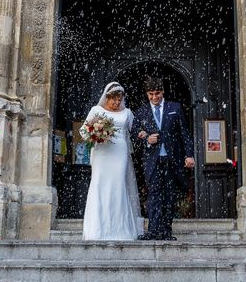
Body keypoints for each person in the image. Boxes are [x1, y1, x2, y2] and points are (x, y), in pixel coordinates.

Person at [132, 77, 194, 241]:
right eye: (151, 94)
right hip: (152, 161)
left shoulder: (175, 107)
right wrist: (146, 139)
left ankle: (166, 231)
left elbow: (185, 134)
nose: (154, 97)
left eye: (157, 93)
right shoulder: (141, 112)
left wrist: (189, 155)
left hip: (171, 159)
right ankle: (153, 231)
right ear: (147, 94)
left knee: (169, 196)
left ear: (163, 91)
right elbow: (134, 135)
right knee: (154, 195)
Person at [80, 82, 143, 241]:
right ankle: (97, 230)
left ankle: (120, 230)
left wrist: (144, 134)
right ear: (107, 98)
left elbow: (135, 130)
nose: (116, 103)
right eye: (113, 99)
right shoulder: (96, 110)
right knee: (100, 184)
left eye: (119, 99)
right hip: (102, 152)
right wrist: (96, 134)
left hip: (120, 151)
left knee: (118, 185)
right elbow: (83, 131)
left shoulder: (127, 113)